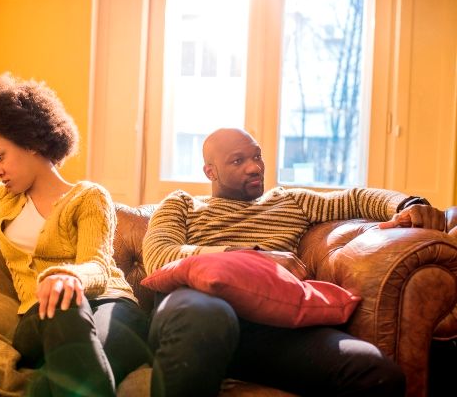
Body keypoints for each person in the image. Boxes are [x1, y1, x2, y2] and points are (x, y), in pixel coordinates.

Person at [142, 127, 446, 397]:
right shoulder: (182, 204)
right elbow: (159, 255)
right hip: (196, 309)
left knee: (376, 373)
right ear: (211, 172)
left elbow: (355, 198)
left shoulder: (290, 201)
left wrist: (410, 204)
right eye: (238, 161)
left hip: (268, 325)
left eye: (257, 156)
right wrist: (251, 256)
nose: (254, 167)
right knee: (208, 317)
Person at [0, 73, 149, 397]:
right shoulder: (0, 198)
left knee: (62, 375)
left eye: (0, 157)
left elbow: (98, 266)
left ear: (30, 141)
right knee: (62, 308)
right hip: (40, 315)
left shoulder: (88, 196)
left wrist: (66, 277)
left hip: (110, 305)